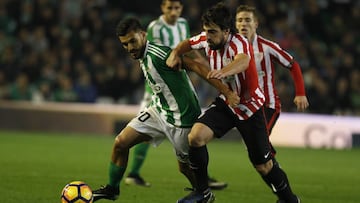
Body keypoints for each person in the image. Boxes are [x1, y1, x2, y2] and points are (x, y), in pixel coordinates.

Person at [92, 17, 238, 202]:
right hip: (158, 111)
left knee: (185, 167)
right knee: (120, 143)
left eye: (132, 41)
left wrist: (226, 91)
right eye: (125, 44)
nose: (129, 48)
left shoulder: (159, 54)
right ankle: (112, 189)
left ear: (143, 35)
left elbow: (195, 66)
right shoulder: (142, 54)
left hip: (182, 118)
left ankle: (204, 194)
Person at [166, 3, 300, 203]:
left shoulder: (239, 43)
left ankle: (289, 200)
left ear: (227, 31)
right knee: (196, 137)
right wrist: (175, 53)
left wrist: (224, 71)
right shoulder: (206, 39)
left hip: (251, 108)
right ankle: (202, 192)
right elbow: (185, 44)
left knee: (263, 166)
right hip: (227, 102)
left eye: (213, 32)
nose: (207, 36)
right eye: (206, 31)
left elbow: (243, 61)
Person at [125, 0, 228, 190]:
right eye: (169, 7)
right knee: (144, 131)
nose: (174, 12)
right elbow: (149, 55)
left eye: (177, 8)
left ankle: (202, 177)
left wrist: (205, 66)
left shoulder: (182, 24)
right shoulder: (154, 27)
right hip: (157, 89)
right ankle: (134, 172)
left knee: (190, 137)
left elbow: (189, 49)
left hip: (178, 82)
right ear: (162, 7)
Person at [235, 5, 309, 158]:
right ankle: (272, 167)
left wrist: (300, 93)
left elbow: (293, 65)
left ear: (256, 24)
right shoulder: (232, 47)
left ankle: (274, 170)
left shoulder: (267, 47)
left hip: (267, 105)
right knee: (254, 146)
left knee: (257, 144)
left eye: (248, 20)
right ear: (236, 24)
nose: (243, 24)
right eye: (240, 20)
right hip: (246, 105)